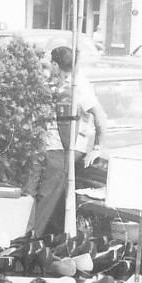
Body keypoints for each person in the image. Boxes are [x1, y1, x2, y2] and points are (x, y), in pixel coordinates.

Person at [26, 46, 108, 236]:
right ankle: (26, 233)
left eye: (50, 63)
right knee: (29, 192)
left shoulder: (79, 86)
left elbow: (100, 116)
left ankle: (32, 238)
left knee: (46, 196)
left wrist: (97, 147)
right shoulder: (54, 83)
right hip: (46, 145)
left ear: (55, 64)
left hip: (64, 149)